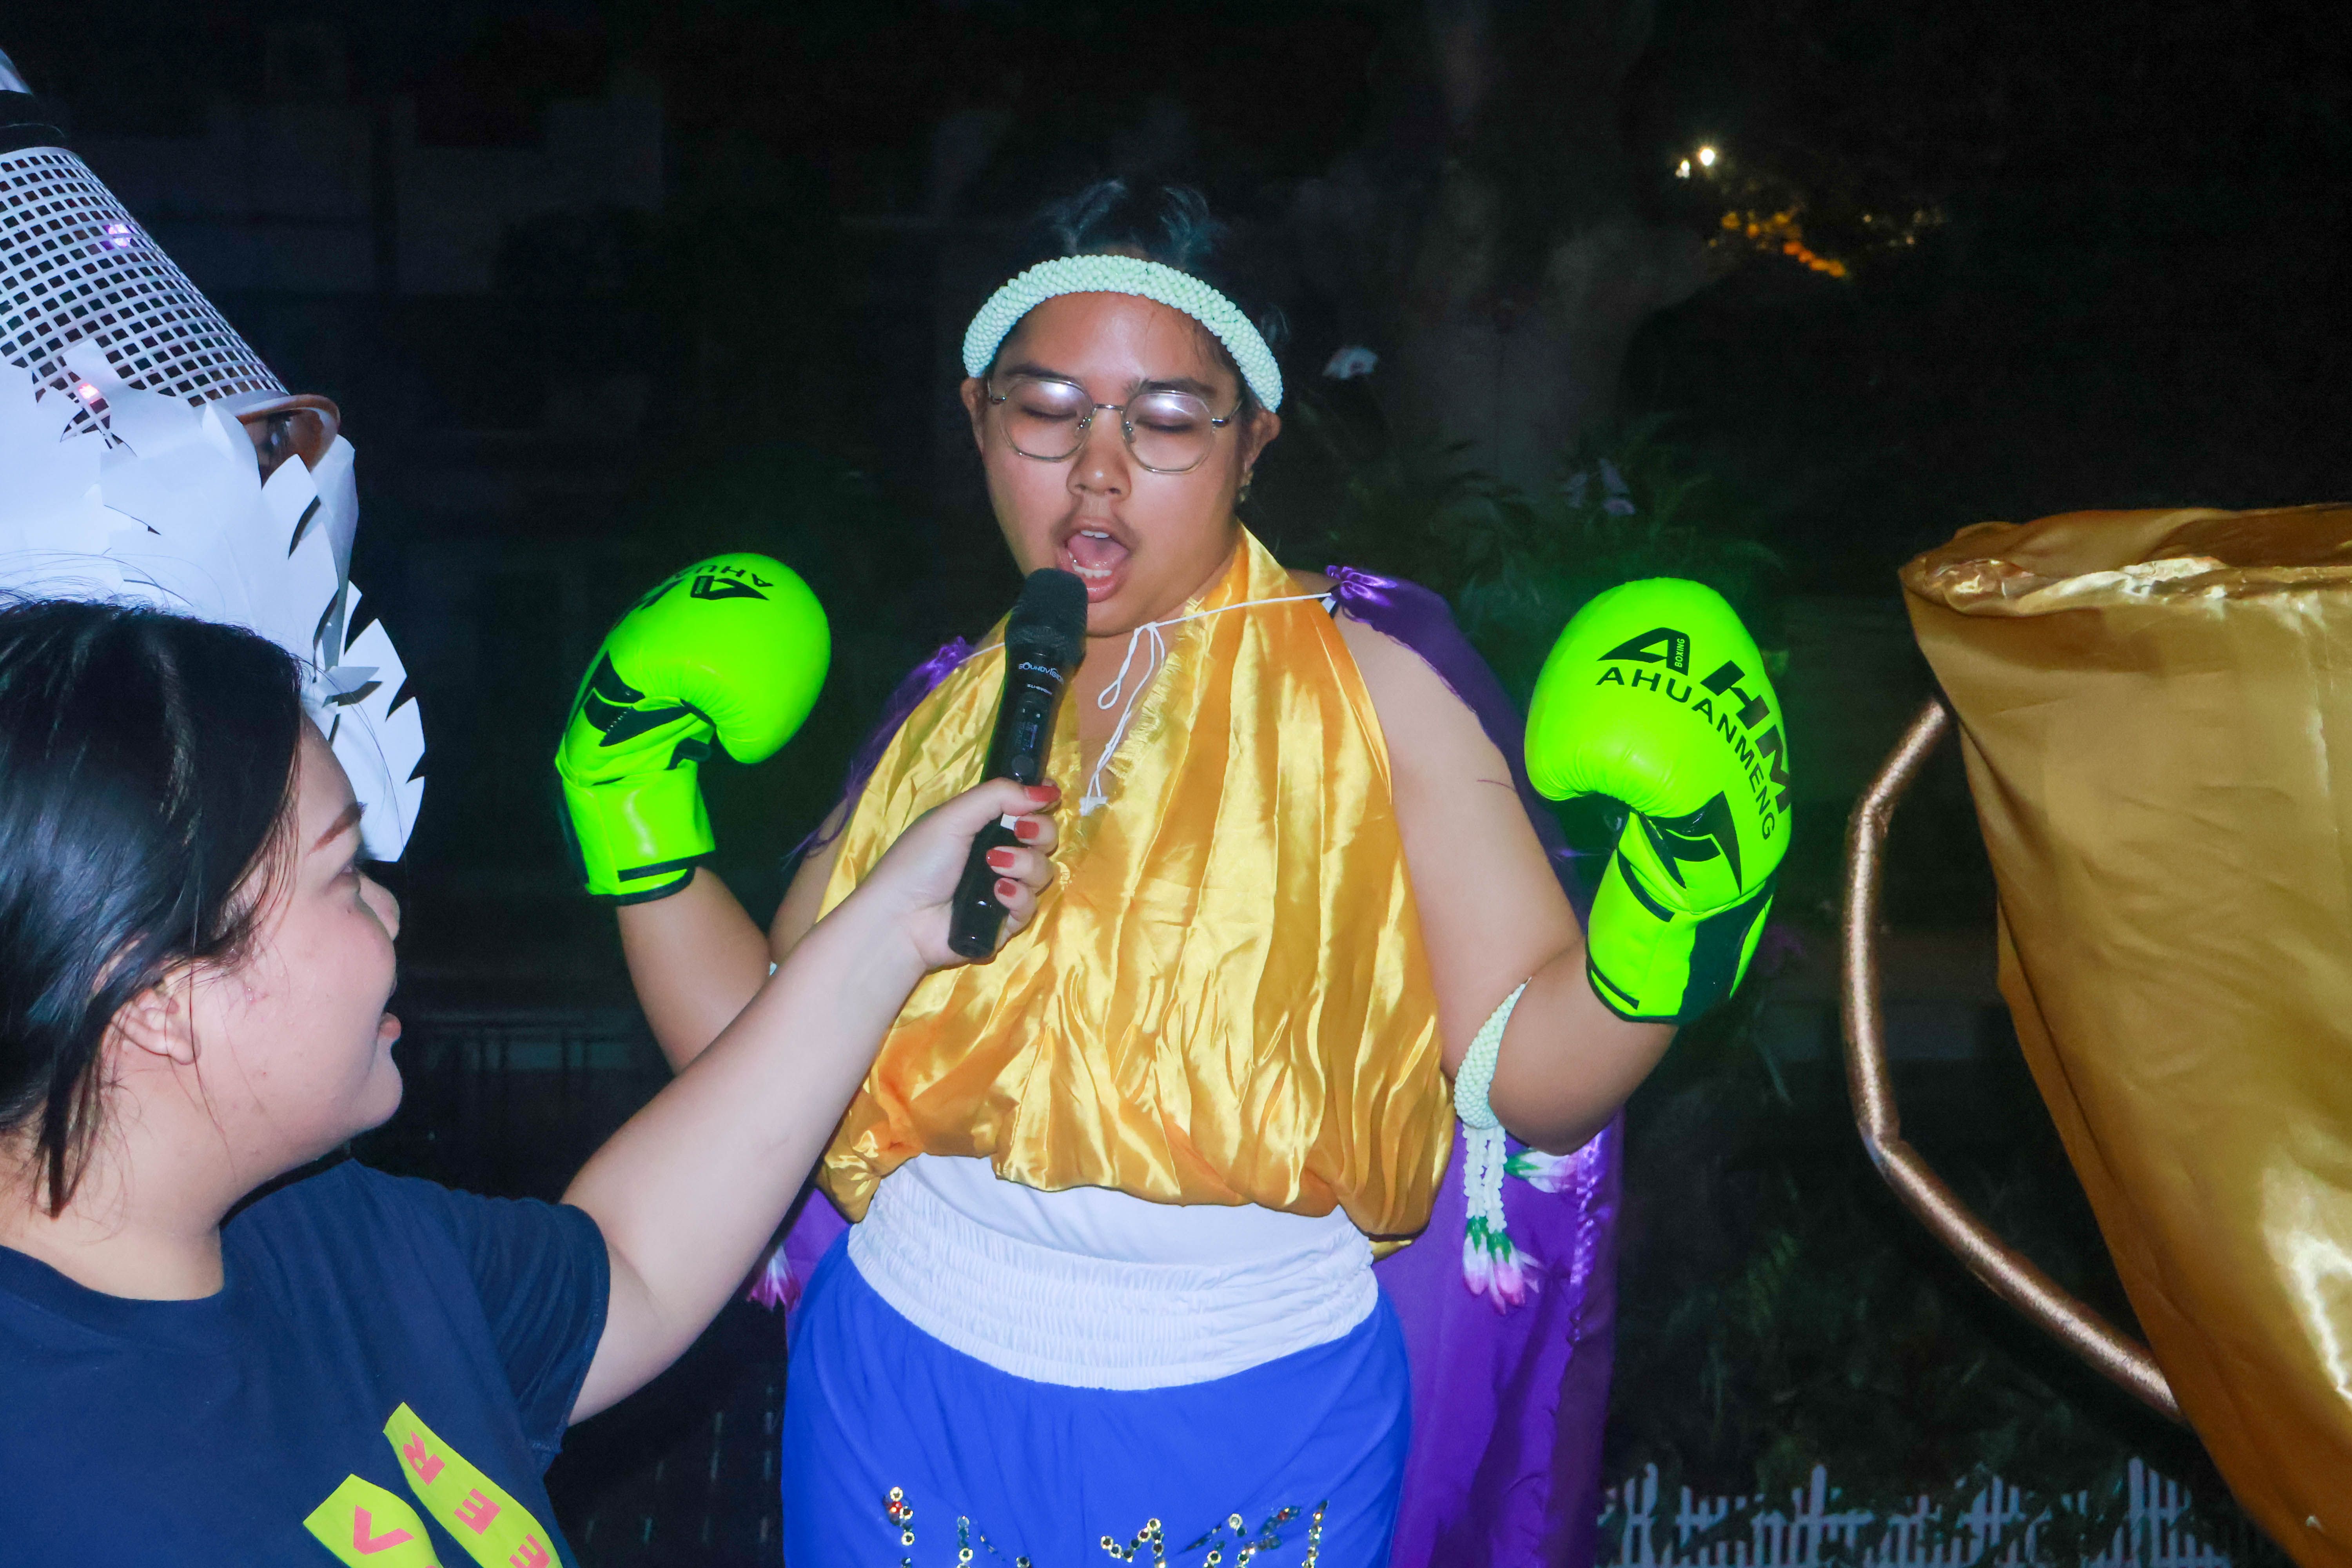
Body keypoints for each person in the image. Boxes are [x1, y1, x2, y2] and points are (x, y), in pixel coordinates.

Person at [567, 181, 1783, 1568]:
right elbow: (758, 1072)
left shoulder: (1378, 690)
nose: (1097, 471)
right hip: (893, 1396)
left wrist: (1684, 901)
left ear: (1253, 439)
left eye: (1163, 420)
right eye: (1048, 409)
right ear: (978, 417)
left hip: (1255, 1423)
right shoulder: (943, 710)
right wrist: (635, 810)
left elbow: (1532, 1081)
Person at [0, 598, 1058, 1565]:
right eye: (343, 875)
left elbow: (633, 1270)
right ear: (154, 994)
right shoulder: (44, 1484)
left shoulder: (311, 1231)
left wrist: (897, 927)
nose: (391, 910)